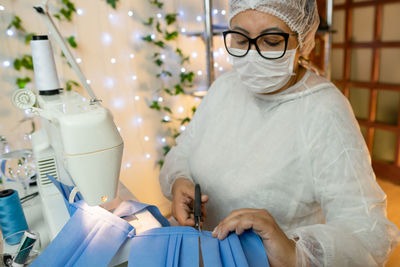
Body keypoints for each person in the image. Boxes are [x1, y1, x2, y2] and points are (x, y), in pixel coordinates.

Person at [159, 0, 400, 266]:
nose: (252, 54)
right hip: (202, 254)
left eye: (272, 41)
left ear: (304, 42)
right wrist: (180, 181)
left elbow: (367, 232)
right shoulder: (224, 87)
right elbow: (183, 151)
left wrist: (294, 252)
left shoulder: (323, 110)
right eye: (240, 39)